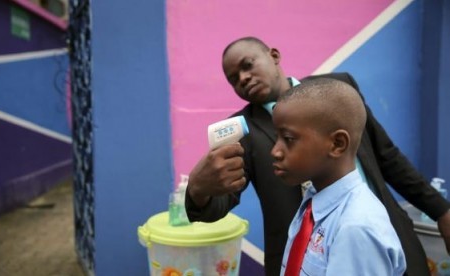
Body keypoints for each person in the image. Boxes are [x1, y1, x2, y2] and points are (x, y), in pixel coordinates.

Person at [185, 36, 450, 276]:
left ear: (274, 56)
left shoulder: (339, 91)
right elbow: (219, 199)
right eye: (233, 79)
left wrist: (442, 211)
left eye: (248, 65)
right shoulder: (240, 130)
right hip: (304, 262)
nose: (242, 78)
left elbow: (388, 158)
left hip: (386, 238)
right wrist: (199, 190)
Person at [273, 77, 406, 275]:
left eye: (289, 139)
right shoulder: (313, 201)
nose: (275, 151)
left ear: (337, 144)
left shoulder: (356, 228)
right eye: (277, 137)